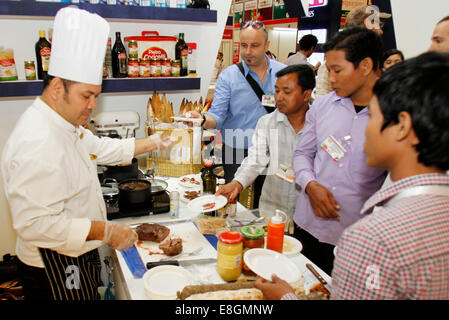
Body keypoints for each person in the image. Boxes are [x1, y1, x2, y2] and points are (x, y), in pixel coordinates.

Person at [1, 7, 173, 300]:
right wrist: (105, 231)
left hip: (76, 252)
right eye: (86, 96)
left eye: (97, 95)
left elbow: (100, 147)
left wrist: (153, 142)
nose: (93, 105)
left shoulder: (65, 123)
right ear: (57, 87)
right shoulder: (37, 141)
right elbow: (36, 226)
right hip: (52, 264)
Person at [255, 51, 449, 302]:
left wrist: (285, 298)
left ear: (401, 126)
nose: (363, 128)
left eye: (374, 116)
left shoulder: (371, 237)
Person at [292, 27, 387, 275]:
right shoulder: (322, 107)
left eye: (337, 70)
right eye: (327, 70)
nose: (330, 78)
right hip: (307, 226)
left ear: (365, 66)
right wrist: (310, 185)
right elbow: (302, 154)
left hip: (354, 237)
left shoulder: (392, 114)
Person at [184, 20, 285, 208]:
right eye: (243, 45)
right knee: (236, 204)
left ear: (267, 45)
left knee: (269, 204)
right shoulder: (229, 76)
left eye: (255, 45)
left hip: (275, 148)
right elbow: (218, 116)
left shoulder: (283, 73)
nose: (248, 51)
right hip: (237, 148)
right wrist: (203, 119)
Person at [216, 64, 316, 227]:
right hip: (271, 213)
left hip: (307, 218)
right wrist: (237, 183)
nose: (279, 97)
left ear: (306, 95)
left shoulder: (320, 125)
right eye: (277, 91)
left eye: (287, 91)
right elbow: (256, 158)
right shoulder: (268, 122)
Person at [315, 4, 392, 98]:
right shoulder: (331, 66)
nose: (381, 31)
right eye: (378, 25)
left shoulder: (378, 62)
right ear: (366, 24)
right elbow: (321, 104)